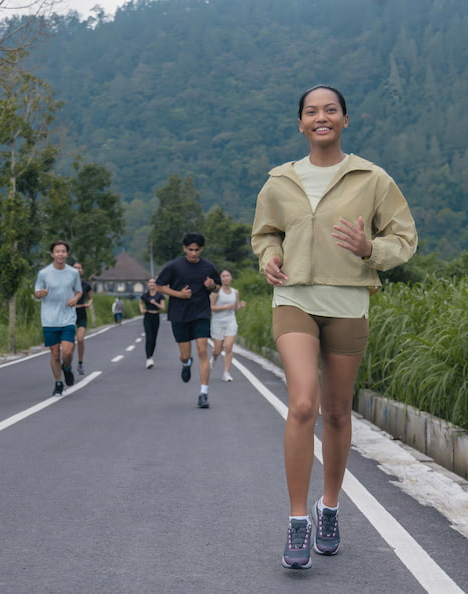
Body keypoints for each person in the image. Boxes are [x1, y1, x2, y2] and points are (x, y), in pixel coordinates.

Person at [251, 85, 417, 570]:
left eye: (330, 110)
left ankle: (330, 508)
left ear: (346, 119)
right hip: (294, 298)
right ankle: (298, 519)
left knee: (338, 413)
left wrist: (371, 250)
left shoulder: (372, 178)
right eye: (311, 111)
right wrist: (269, 257)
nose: (321, 117)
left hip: (347, 301)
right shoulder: (279, 181)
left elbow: (404, 238)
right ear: (300, 123)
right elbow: (265, 234)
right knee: (303, 403)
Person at [155, 231, 221, 408]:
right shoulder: (174, 266)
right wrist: (179, 294)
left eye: (197, 250)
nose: (193, 253)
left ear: (202, 249)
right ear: (184, 248)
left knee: (202, 350)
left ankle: (203, 394)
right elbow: (159, 286)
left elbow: (217, 287)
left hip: (201, 313)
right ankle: (187, 363)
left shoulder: (208, 267)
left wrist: (212, 286)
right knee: (185, 354)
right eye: (190, 249)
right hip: (180, 314)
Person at [34, 240, 83, 396]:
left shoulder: (73, 273)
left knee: (67, 352)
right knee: (55, 354)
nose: (60, 254)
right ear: (52, 254)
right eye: (57, 251)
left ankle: (67, 367)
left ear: (67, 254)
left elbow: (79, 291)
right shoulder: (44, 273)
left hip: (68, 317)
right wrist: (39, 294)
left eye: (63, 251)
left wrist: (75, 300)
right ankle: (58, 383)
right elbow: (36, 292)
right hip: (49, 319)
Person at [210, 270, 246, 382]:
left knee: (228, 347)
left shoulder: (235, 292)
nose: (226, 278)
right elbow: (211, 308)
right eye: (223, 276)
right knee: (217, 349)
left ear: (231, 278)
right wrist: (225, 307)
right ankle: (214, 358)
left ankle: (226, 373)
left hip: (230, 321)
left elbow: (235, 308)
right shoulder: (216, 292)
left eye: (227, 276)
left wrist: (240, 306)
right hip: (217, 322)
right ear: (220, 279)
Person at [139, 277, 166, 369]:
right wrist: (142, 309)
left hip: (156, 317)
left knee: (154, 339)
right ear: (148, 284)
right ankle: (148, 358)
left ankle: (151, 356)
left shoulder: (160, 296)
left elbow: (163, 308)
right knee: (149, 337)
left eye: (153, 282)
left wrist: (155, 303)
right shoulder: (145, 295)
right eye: (150, 282)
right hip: (147, 317)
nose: (151, 284)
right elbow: (141, 303)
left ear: (156, 284)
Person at [72, 262, 93, 375]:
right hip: (69, 313)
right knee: (69, 342)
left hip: (81, 312)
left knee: (80, 339)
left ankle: (80, 362)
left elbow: (90, 298)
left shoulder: (86, 285)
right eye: (75, 268)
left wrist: (88, 304)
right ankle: (67, 363)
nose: (77, 270)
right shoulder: (67, 284)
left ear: (82, 271)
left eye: (79, 268)